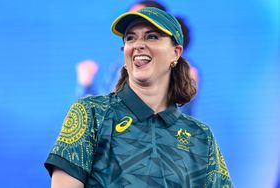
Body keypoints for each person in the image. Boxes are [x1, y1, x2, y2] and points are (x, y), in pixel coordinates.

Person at [44, 7, 233, 187]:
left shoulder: (201, 136)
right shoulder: (92, 113)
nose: (138, 45)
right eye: (130, 38)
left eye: (152, 37)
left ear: (176, 53)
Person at [76, 0, 199, 116]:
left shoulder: (182, 71)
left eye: (150, 35)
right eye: (131, 36)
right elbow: (99, 116)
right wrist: (86, 84)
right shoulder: (118, 68)